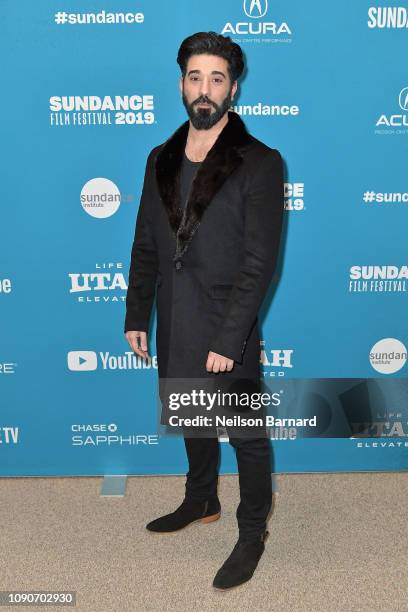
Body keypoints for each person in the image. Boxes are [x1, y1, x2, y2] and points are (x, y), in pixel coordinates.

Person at [124, 31, 284, 590]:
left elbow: (259, 262)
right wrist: (135, 313)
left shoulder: (260, 162)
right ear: (181, 83)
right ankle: (201, 500)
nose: (204, 89)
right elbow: (146, 240)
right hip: (174, 313)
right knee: (189, 413)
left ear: (233, 88)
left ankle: (252, 531)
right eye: (195, 76)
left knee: (244, 432)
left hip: (227, 324)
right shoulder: (159, 157)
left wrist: (229, 337)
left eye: (217, 78)